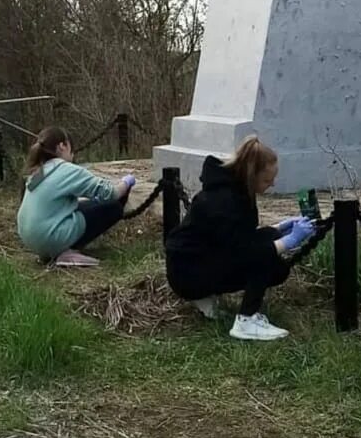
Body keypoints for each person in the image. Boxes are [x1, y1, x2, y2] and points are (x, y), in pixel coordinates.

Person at [164, 137, 316, 341]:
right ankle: (246, 320)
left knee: (272, 250)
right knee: (267, 259)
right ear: (251, 175)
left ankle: (207, 297)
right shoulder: (224, 202)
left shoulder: (235, 189)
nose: (271, 184)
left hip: (197, 261)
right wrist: (289, 241)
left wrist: (280, 228)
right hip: (187, 274)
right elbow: (244, 251)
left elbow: (238, 236)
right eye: (266, 180)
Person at [16, 126, 137, 265]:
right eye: (71, 148)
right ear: (62, 146)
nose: (73, 154)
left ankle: (50, 252)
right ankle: (65, 251)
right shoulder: (66, 169)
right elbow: (110, 193)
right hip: (50, 238)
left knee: (87, 205)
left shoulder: (39, 171)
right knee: (114, 207)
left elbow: (62, 202)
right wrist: (126, 182)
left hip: (31, 239)